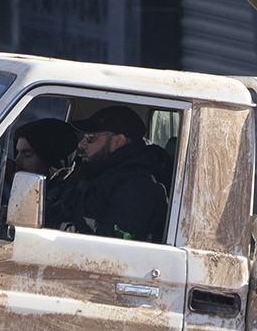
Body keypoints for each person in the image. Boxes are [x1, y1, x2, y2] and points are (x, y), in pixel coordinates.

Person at [52, 104, 173, 243]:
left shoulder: (137, 186)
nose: (81, 144)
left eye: (90, 137)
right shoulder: (96, 171)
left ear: (118, 142)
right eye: (84, 137)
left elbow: (115, 243)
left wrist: (56, 228)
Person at [12, 118, 80, 227]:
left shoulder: (72, 196)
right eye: (18, 152)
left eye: (27, 154)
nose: (17, 160)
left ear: (50, 157)